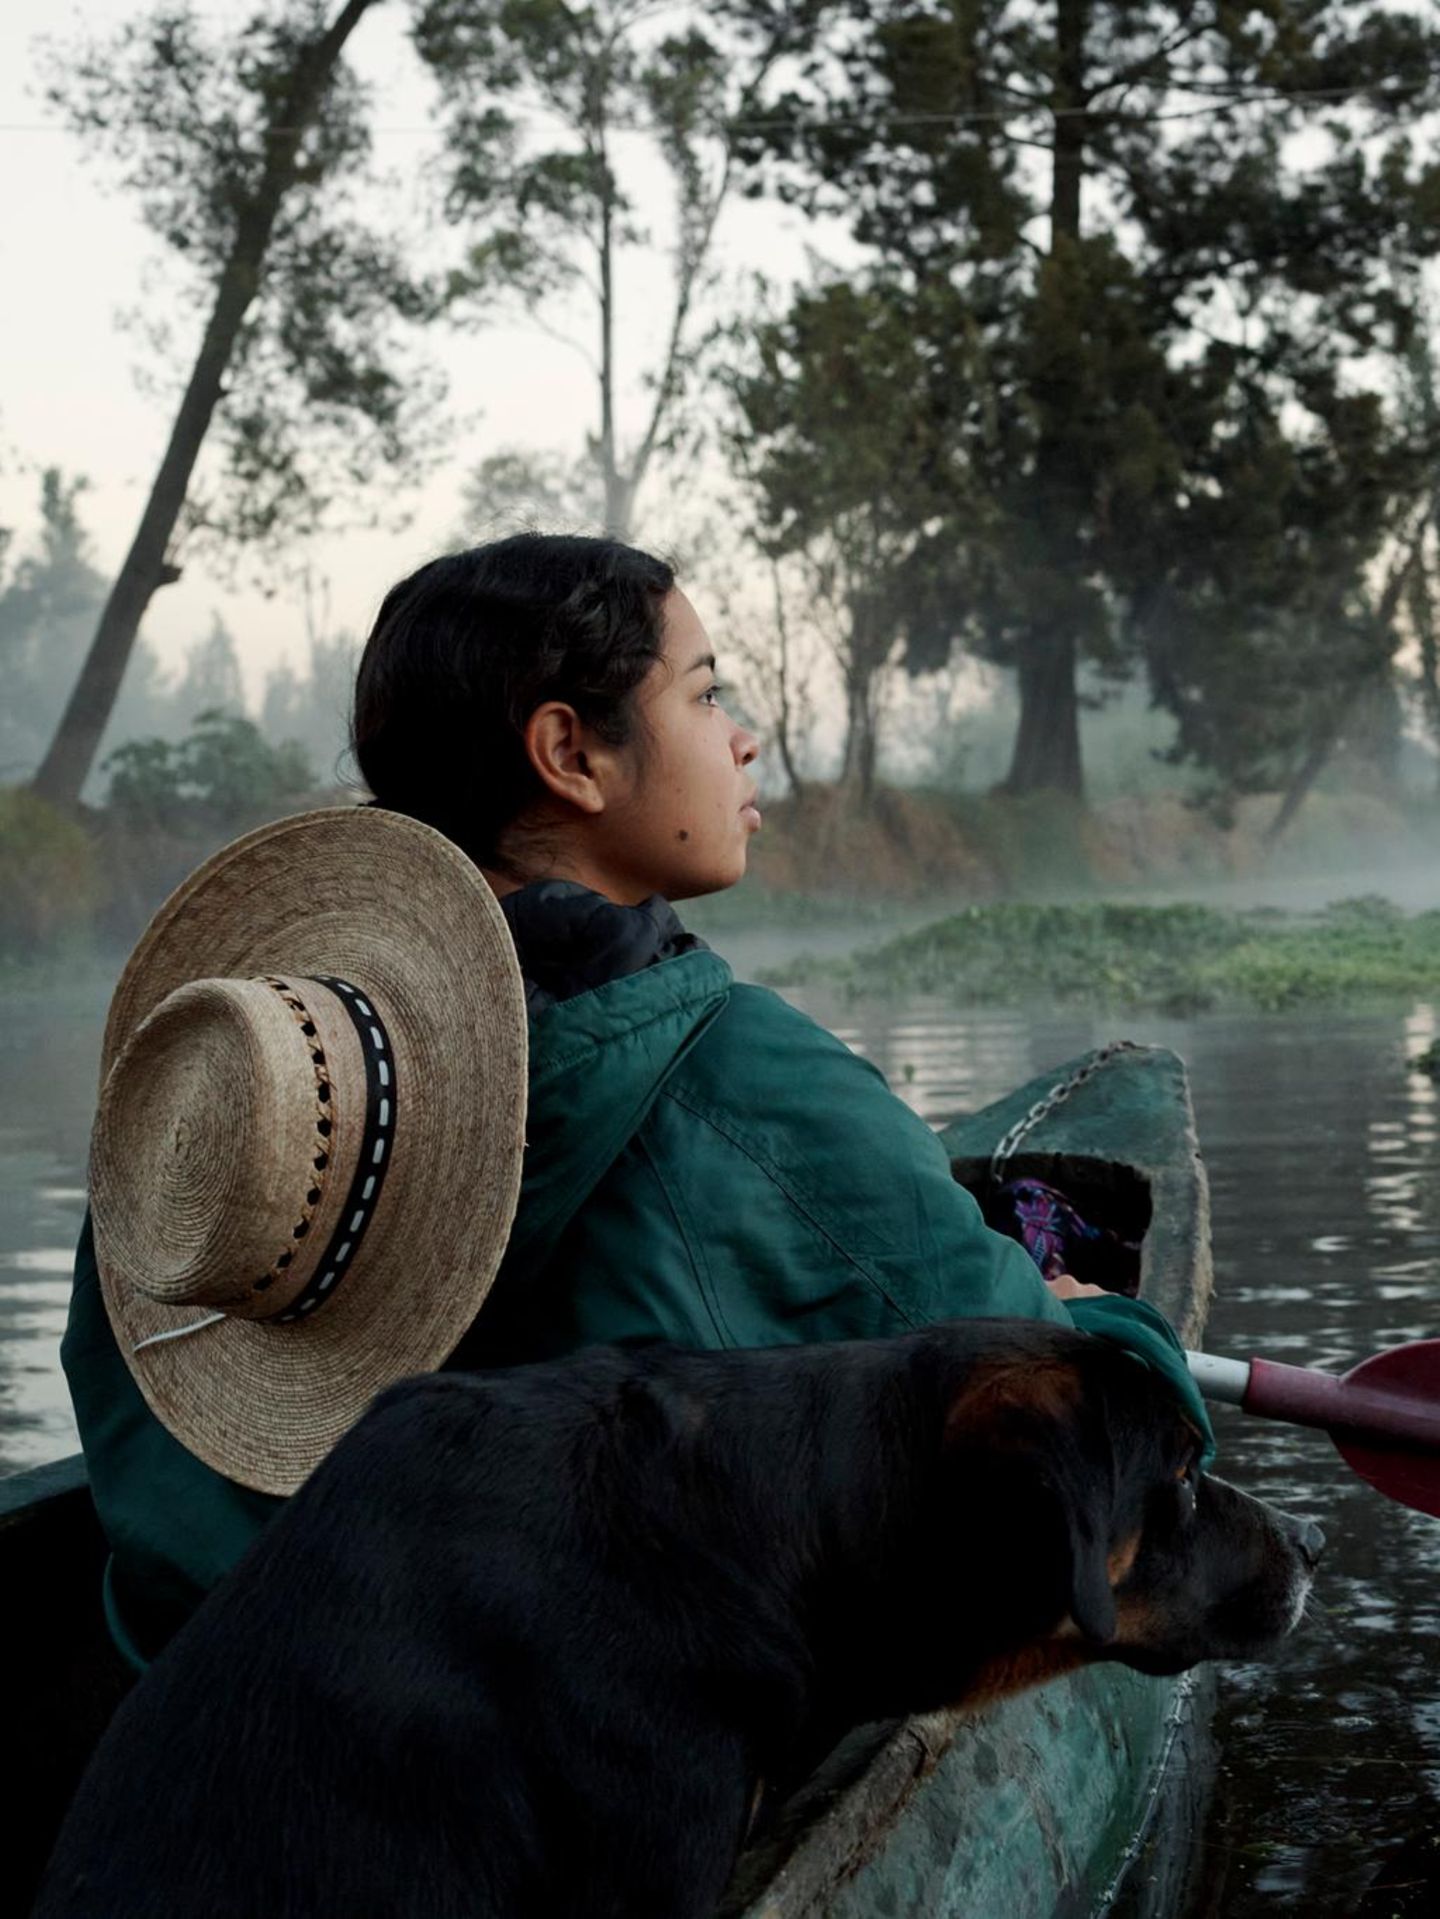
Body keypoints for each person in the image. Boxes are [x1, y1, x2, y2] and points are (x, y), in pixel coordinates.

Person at [63, 532, 1211, 1668]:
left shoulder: (236, 1102)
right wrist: (1091, 1311)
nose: (744, 739)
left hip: (212, 1718)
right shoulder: (746, 1079)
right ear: (571, 750)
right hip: (573, 1769)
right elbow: (1114, 1446)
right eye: (707, 694)